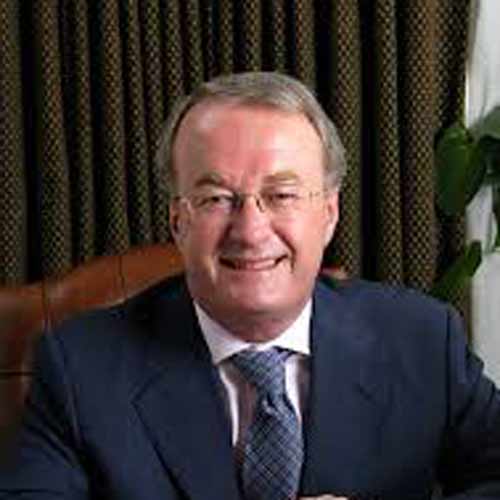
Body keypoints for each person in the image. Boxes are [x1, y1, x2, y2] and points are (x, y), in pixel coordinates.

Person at [1, 72, 499, 500]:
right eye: (217, 198)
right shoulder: (80, 368)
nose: (251, 231)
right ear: (178, 221)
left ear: (329, 214)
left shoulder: (422, 340)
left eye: (282, 195)